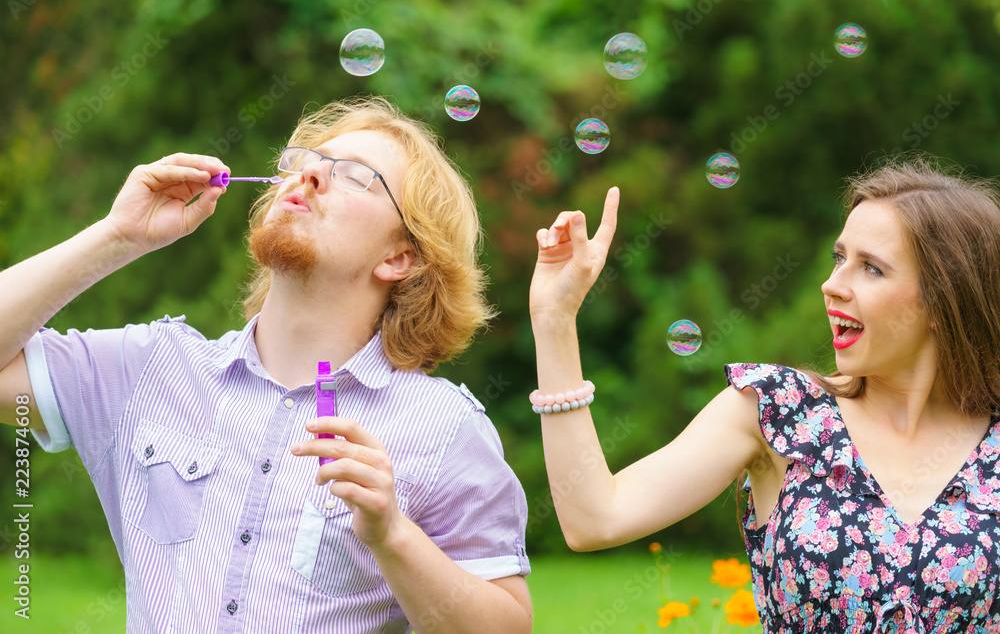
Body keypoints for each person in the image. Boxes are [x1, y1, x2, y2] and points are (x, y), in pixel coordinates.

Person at [0, 96, 532, 633]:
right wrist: (117, 237)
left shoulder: (443, 429)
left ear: (399, 257)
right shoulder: (149, 370)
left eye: (355, 176)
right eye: (304, 161)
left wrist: (394, 534)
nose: (310, 176)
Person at [528, 156, 1000, 632]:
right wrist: (554, 320)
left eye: (871, 269)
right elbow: (593, 519)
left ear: (944, 299)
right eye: (840, 259)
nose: (831, 285)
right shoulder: (779, 411)